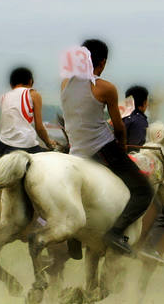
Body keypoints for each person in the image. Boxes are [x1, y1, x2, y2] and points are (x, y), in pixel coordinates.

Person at [60, 39, 152, 255]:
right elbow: (119, 127)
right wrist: (122, 149)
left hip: (75, 151)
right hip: (102, 148)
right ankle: (116, 233)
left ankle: (73, 237)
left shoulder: (65, 83)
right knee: (144, 191)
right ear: (101, 63)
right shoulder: (106, 88)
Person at [0, 66, 56, 159]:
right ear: (30, 81)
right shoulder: (33, 94)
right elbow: (39, 128)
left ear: (11, 84)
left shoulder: (4, 97)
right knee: (54, 158)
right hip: (22, 147)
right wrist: (49, 143)